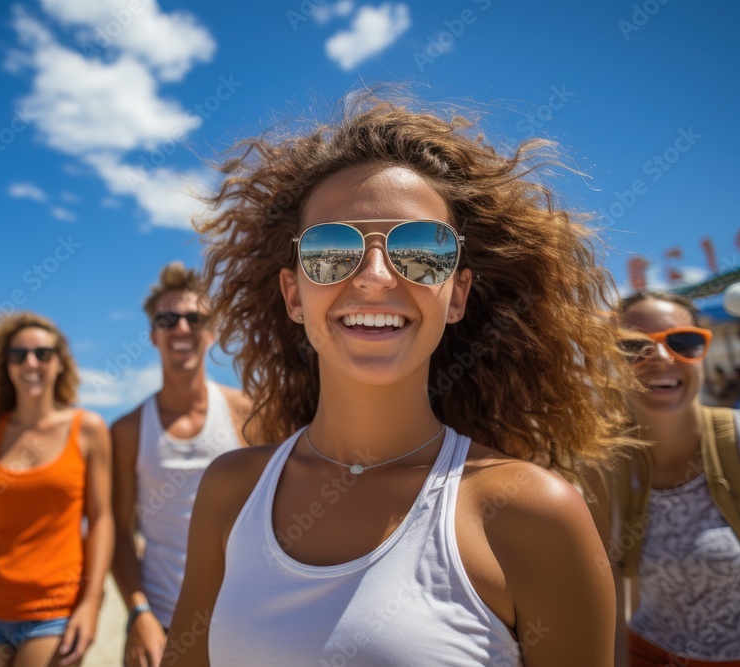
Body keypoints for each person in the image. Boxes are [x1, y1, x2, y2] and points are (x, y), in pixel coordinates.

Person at [163, 95, 639, 667]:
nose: (374, 277)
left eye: (420, 250)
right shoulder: (231, 491)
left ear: (457, 293)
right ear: (294, 294)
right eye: (331, 250)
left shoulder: (533, 514)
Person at [0, 312, 114, 667]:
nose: (30, 363)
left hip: (55, 610)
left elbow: (103, 519)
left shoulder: (88, 428)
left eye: (43, 354)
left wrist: (92, 601)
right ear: (7, 366)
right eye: (18, 355)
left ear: (61, 363)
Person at [111, 262, 256, 667]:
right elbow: (119, 532)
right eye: (167, 319)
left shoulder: (248, 413)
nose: (181, 328)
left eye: (196, 318)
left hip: (240, 621)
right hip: (159, 624)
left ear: (211, 332)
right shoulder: (127, 430)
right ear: (152, 334)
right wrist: (137, 613)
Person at [592, 292, 740, 666]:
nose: (659, 358)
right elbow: (606, 587)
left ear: (702, 354)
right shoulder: (601, 465)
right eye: (632, 347)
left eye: (683, 342)